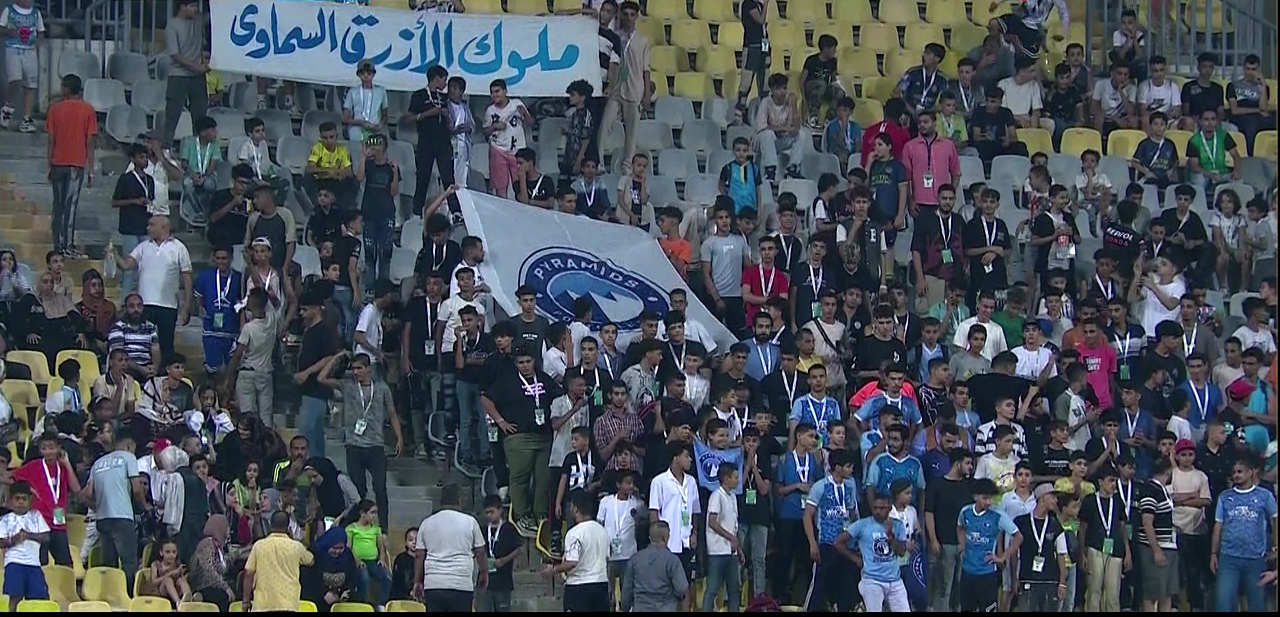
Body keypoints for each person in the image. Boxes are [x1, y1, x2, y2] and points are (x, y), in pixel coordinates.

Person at [108, 215, 194, 360]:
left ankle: (165, 372)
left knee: (167, 345)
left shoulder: (179, 247)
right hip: (145, 305)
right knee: (145, 343)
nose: (147, 228)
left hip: (168, 306)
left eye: (151, 225)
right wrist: (114, 254)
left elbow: (187, 277)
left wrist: (187, 306)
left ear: (164, 227)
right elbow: (126, 265)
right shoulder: (143, 247)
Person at [1211, 457, 1278, 612]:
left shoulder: (1264, 495)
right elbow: (1218, 525)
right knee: (1223, 601)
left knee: (1257, 604)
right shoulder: (1224, 497)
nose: (1236, 475)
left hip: (1255, 557)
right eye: (1234, 472)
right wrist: (1213, 553)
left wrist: (1275, 547)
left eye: (1240, 472)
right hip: (1228, 557)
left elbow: (1275, 519)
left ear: (1250, 473)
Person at [43, 73, 97, 259]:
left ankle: (58, 245)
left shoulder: (55, 109)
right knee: (70, 205)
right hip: (76, 163)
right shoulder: (88, 110)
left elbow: (51, 139)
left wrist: (48, 165)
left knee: (58, 206)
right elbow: (89, 141)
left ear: (66, 88)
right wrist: (91, 169)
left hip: (57, 162)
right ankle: (67, 245)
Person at [413, 483, 487, 612]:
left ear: (441, 501)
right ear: (459, 500)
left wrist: (417, 581)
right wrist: (484, 573)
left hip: (434, 584)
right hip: (461, 584)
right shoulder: (470, 522)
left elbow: (420, 555)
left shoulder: (426, 523)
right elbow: (480, 552)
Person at [81, 431, 140, 587]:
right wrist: (143, 506)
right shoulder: (129, 457)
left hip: (102, 519)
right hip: (122, 516)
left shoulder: (98, 463)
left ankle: (111, 592)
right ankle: (127, 594)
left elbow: (86, 494)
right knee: (128, 561)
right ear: (130, 445)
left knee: (109, 562)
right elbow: (137, 489)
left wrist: (97, 507)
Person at [597, 1, 649, 176]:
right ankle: (599, 161)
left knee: (631, 133)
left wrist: (647, 94)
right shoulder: (615, 36)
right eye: (625, 14)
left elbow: (646, 69)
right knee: (604, 125)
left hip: (634, 89)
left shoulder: (642, 41)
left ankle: (627, 166)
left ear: (636, 17)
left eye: (632, 15)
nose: (628, 18)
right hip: (616, 88)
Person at [835, 493, 911, 612]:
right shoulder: (862, 525)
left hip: (895, 579)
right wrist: (855, 559)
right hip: (872, 579)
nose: (877, 511)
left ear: (889, 508)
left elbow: (901, 552)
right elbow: (838, 542)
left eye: (882, 508)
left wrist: (891, 537)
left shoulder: (898, 525)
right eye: (875, 508)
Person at [542, 490, 610, 611]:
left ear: (576, 509)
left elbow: (572, 562)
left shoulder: (574, 533)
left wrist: (553, 569)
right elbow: (607, 558)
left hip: (579, 588)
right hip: (601, 586)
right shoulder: (602, 531)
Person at [245, 511, 315, 612]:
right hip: (288, 606)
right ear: (288, 527)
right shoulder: (295, 547)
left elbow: (248, 573)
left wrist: (245, 601)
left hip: (263, 606)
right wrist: (293, 539)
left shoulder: (259, 546)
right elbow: (311, 560)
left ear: (270, 525)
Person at [161, 1, 207, 145]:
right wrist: (196, 66)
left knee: (200, 117)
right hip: (178, 76)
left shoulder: (199, 20)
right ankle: (165, 149)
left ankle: (198, 150)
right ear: (182, 7)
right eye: (192, 6)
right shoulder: (172, 25)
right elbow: (175, 55)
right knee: (172, 115)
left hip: (197, 78)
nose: (196, 9)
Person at [0, 481, 50, 608]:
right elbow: (1, 542)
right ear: (11, 500)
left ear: (30, 500)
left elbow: (46, 537)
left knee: (38, 599)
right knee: (15, 597)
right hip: (14, 563)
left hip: (34, 564)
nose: (21, 502)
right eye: (17, 499)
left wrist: (28, 535)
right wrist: (15, 539)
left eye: (24, 499)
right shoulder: (5, 520)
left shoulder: (36, 516)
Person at [621, 520, 688, 612]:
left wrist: (625, 607)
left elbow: (626, 591)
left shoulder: (635, 559)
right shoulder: (672, 560)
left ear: (650, 537)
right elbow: (682, 589)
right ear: (665, 537)